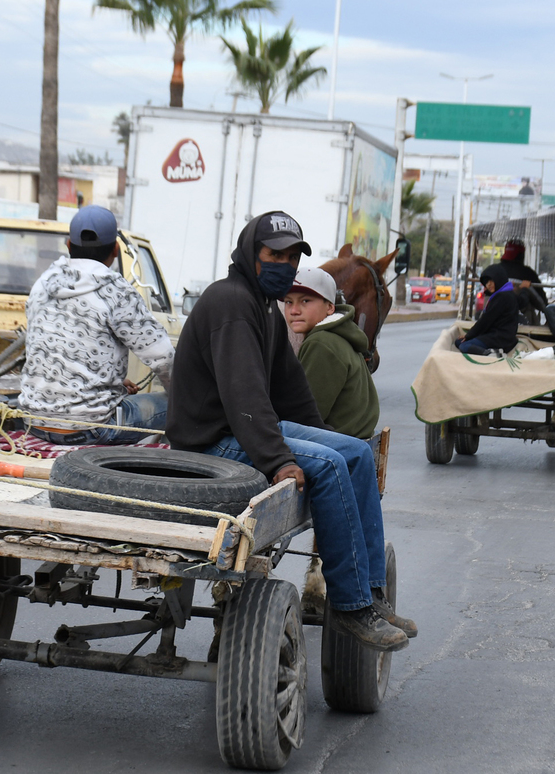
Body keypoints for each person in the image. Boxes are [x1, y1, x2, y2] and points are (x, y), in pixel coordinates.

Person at [166, 210, 414, 653]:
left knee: (355, 453)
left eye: (291, 256)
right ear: (251, 254)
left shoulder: (263, 306)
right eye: (273, 254)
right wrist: (279, 459)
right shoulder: (231, 302)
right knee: (333, 467)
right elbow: (243, 396)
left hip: (243, 428)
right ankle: (351, 606)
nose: (283, 264)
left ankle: (372, 593)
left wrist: (321, 435)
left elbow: (290, 389)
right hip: (212, 439)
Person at [19, 205, 174, 444]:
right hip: (92, 428)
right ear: (115, 249)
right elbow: (164, 360)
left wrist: (111, 380)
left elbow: (54, 347)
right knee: (176, 404)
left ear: (69, 245)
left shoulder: (43, 283)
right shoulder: (115, 291)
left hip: (33, 423)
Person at [283, 266, 380, 440]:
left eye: (305, 301)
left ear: (329, 307)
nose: (294, 310)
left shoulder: (321, 343)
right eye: (289, 301)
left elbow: (306, 414)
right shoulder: (338, 335)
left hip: (337, 444)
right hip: (354, 438)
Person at [457, 264, 520, 355]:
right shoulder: (503, 294)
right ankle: (491, 351)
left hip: (501, 339)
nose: (488, 284)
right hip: (494, 336)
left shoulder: (503, 297)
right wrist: (469, 336)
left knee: (464, 346)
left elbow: (485, 321)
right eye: (486, 282)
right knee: (459, 342)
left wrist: (469, 336)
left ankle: (491, 354)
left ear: (499, 278)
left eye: (491, 280)